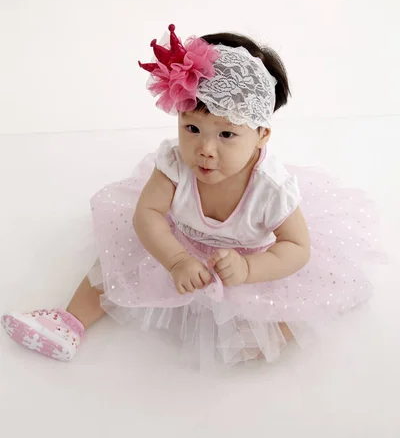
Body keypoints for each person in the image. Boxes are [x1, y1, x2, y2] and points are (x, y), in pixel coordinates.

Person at [1, 25, 380, 367]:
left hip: (245, 261)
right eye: (193, 128)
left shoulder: (271, 189)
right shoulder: (174, 163)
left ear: (262, 134)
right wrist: (176, 258)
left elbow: (297, 247)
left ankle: (270, 333)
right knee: (113, 264)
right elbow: (147, 213)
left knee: (287, 310)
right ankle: (68, 323)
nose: (205, 149)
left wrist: (251, 269)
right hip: (179, 243)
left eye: (226, 135)